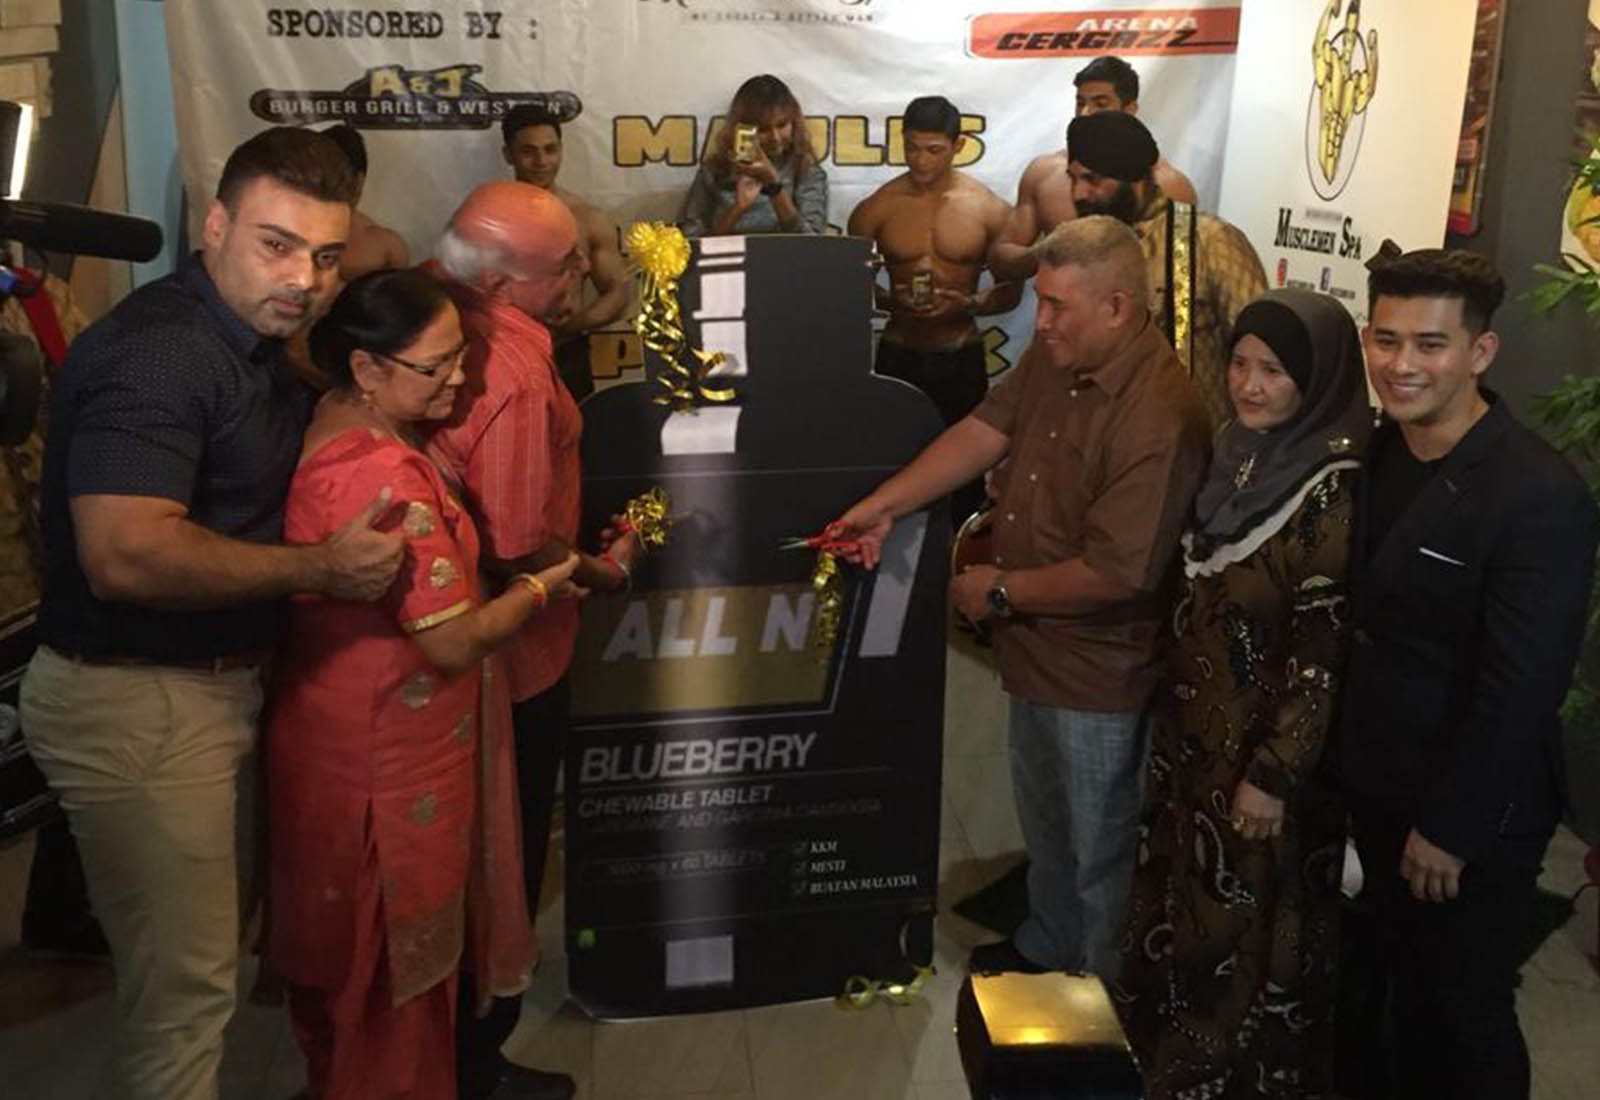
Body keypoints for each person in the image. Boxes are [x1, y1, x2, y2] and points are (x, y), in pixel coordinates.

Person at [17, 126, 404, 1100]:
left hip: (207, 689)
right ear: (216, 226)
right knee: (185, 1001)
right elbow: (126, 553)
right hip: (140, 702)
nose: (305, 278)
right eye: (277, 244)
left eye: (325, 255)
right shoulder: (161, 354)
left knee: (202, 972)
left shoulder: (253, 337)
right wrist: (320, 567)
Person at [833, 216, 1209, 978]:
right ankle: (1049, 945)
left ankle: (1100, 997)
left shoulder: (1159, 414)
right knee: (1048, 826)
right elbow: (984, 429)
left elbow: (1119, 572)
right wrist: (885, 504)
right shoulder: (1060, 354)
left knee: (1101, 849)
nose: (1041, 322)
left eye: (1058, 306)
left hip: (1099, 673)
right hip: (1033, 651)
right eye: (1041, 301)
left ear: (1118, 308)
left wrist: (999, 590)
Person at [266, 268, 579, 1100]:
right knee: (388, 982)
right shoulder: (383, 475)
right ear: (366, 368)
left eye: (459, 358)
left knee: (365, 980)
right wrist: (544, 585)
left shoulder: (342, 419)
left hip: (352, 733)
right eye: (435, 366)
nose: (459, 382)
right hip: (385, 759)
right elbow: (450, 642)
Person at [1337, 245, 1597, 1100]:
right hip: (1375, 781)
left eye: (1430, 344)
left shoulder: (1537, 492)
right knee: (1381, 987)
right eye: (1386, 340)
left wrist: (1452, 826)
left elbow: (1522, 685)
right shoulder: (1377, 452)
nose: (1401, 364)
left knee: (1460, 1010)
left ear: (1480, 352)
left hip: (1470, 811)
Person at [1115, 288, 1373, 1099]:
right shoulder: (1237, 451)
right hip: (1194, 740)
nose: (1250, 385)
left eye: (1274, 372)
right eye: (1240, 364)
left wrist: (1275, 772)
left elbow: (1322, 651)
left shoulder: (1332, 487)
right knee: (1180, 903)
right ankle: (1166, 1058)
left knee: (1246, 923)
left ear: (1318, 381)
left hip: (1262, 761)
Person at [425, 180, 644, 1100]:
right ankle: (477, 1059)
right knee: (501, 853)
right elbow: (518, 543)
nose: (584, 271)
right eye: (562, 265)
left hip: (443, 645)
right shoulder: (511, 368)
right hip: (511, 656)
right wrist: (606, 569)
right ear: (500, 284)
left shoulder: (431, 310)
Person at [996, 111, 1265, 429]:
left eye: (1093, 179)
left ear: (1135, 179)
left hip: (1188, 441)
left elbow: (1260, 346)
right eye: (1073, 179)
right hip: (1091, 438)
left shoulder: (1208, 240)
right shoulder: (1081, 245)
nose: (1078, 193)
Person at [847, 94, 1021, 522]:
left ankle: (957, 559)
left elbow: (1011, 291)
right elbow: (851, 288)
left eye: (933, 150)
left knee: (965, 484)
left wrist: (969, 304)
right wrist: (891, 302)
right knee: (890, 472)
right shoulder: (876, 209)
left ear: (957, 145)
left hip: (959, 355)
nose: (920, 160)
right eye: (911, 147)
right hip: (899, 355)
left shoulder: (988, 208)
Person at [501, 104, 631, 401]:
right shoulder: (490, 218)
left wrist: (576, 323)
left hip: (568, 356)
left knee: (578, 431)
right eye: (528, 151)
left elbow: (617, 291)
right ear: (508, 155)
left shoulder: (587, 218)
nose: (541, 161)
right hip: (507, 354)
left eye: (550, 150)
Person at [679, 74, 828, 238]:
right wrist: (736, 209)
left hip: (787, 255)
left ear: (794, 123)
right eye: (763, 129)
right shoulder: (714, 170)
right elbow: (691, 242)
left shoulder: (805, 170)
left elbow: (811, 242)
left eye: (782, 125)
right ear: (741, 129)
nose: (775, 137)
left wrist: (774, 187)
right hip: (730, 255)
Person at [1071, 56, 1198, 204]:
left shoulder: (1169, 186)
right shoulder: (1051, 173)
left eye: (1100, 104)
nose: (1085, 113)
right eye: (1080, 103)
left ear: (1129, 109)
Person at [322, 123, 410, 279]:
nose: (336, 188)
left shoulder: (386, 247)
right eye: (329, 178)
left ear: (360, 180)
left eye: (344, 179)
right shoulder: (288, 233)